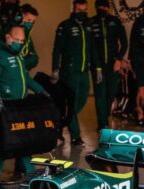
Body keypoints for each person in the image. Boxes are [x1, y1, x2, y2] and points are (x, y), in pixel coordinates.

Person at [0, 25, 47, 184]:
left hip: (20, 108)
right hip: (5, 109)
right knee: (2, 148)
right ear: (8, 38)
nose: (19, 43)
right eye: (17, 40)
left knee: (24, 144)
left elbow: (26, 79)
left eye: (21, 41)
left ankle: (32, 179)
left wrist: (42, 91)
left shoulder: (19, 57)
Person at [52, 0, 101, 146]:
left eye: (85, 11)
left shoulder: (88, 26)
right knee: (72, 104)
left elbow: (93, 49)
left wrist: (97, 68)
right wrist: (55, 69)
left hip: (84, 71)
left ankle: (60, 122)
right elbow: (57, 50)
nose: (83, 13)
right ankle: (75, 136)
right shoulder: (64, 26)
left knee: (82, 100)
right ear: (73, 9)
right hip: (70, 71)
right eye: (80, 10)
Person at [89, 0, 128, 131]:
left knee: (111, 92)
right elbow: (90, 46)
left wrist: (118, 59)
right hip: (97, 65)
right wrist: (95, 64)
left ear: (108, 8)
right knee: (100, 94)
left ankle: (105, 115)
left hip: (113, 64)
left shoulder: (115, 21)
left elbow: (124, 43)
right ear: (95, 8)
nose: (102, 9)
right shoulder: (91, 22)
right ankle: (102, 123)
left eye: (104, 7)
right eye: (99, 7)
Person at [20, 4, 39, 71]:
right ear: (21, 17)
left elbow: (35, 57)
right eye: (28, 20)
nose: (30, 23)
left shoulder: (27, 34)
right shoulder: (13, 32)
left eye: (33, 22)